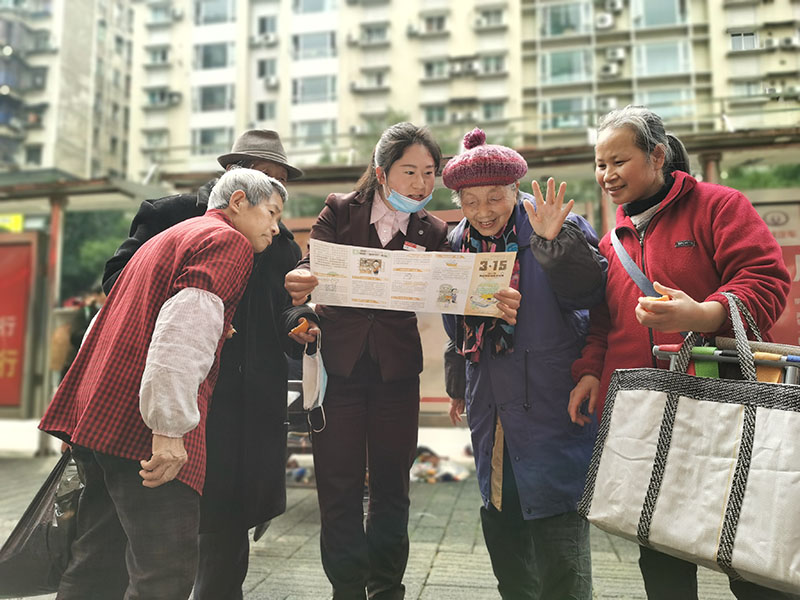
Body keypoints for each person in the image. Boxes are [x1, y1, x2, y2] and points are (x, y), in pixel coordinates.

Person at [569, 106, 794, 600]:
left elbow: (766, 279)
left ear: (657, 155)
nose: (607, 175)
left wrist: (704, 314)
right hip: (647, 416)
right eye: (600, 164)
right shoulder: (610, 242)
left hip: (724, 406)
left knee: (746, 545)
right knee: (660, 550)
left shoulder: (719, 206)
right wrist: (589, 373)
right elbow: (602, 323)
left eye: (619, 161)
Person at [39, 169, 288, 599]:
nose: (276, 227)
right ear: (238, 202)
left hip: (101, 419)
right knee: (165, 570)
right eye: (272, 213)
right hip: (143, 432)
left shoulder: (170, 236)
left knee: (97, 559)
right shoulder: (226, 241)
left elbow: (110, 320)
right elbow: (183, 332)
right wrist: (169, 430)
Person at [101, 130, 317, 600]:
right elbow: (120, 281)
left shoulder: (280, 241)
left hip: (246, 405)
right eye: (263, 175)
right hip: (177, 393)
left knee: (228, 530)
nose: (273, 188)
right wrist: (196, 310)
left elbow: (283, 311)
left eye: (280, 179)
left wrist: (301, 320)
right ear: (234, 177)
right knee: (155, 539)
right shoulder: (174, 215)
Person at [284, 122, 451, 600]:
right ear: (381, 172)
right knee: (337, 485)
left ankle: (386, 587)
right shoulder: (340, 210)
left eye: (429, 173)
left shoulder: (435, 230)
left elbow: (452, 287)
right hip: (339, 371)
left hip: (397, 375)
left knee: (393, 487)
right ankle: (347, 589)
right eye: (409, 172)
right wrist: (301, 289)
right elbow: (309, 267)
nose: (421, 184)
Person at [441, 128, 606, 600]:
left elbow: (592, 294)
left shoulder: (553, 226)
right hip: (491, 409)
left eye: (495, 197)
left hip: (549, 406)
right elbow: (455, 330)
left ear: (515, 189)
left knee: (559, 543)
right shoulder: (457, 242)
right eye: (470, 201)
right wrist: (459, 386)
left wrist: (556, 243)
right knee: (505, 535)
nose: (483, 211)